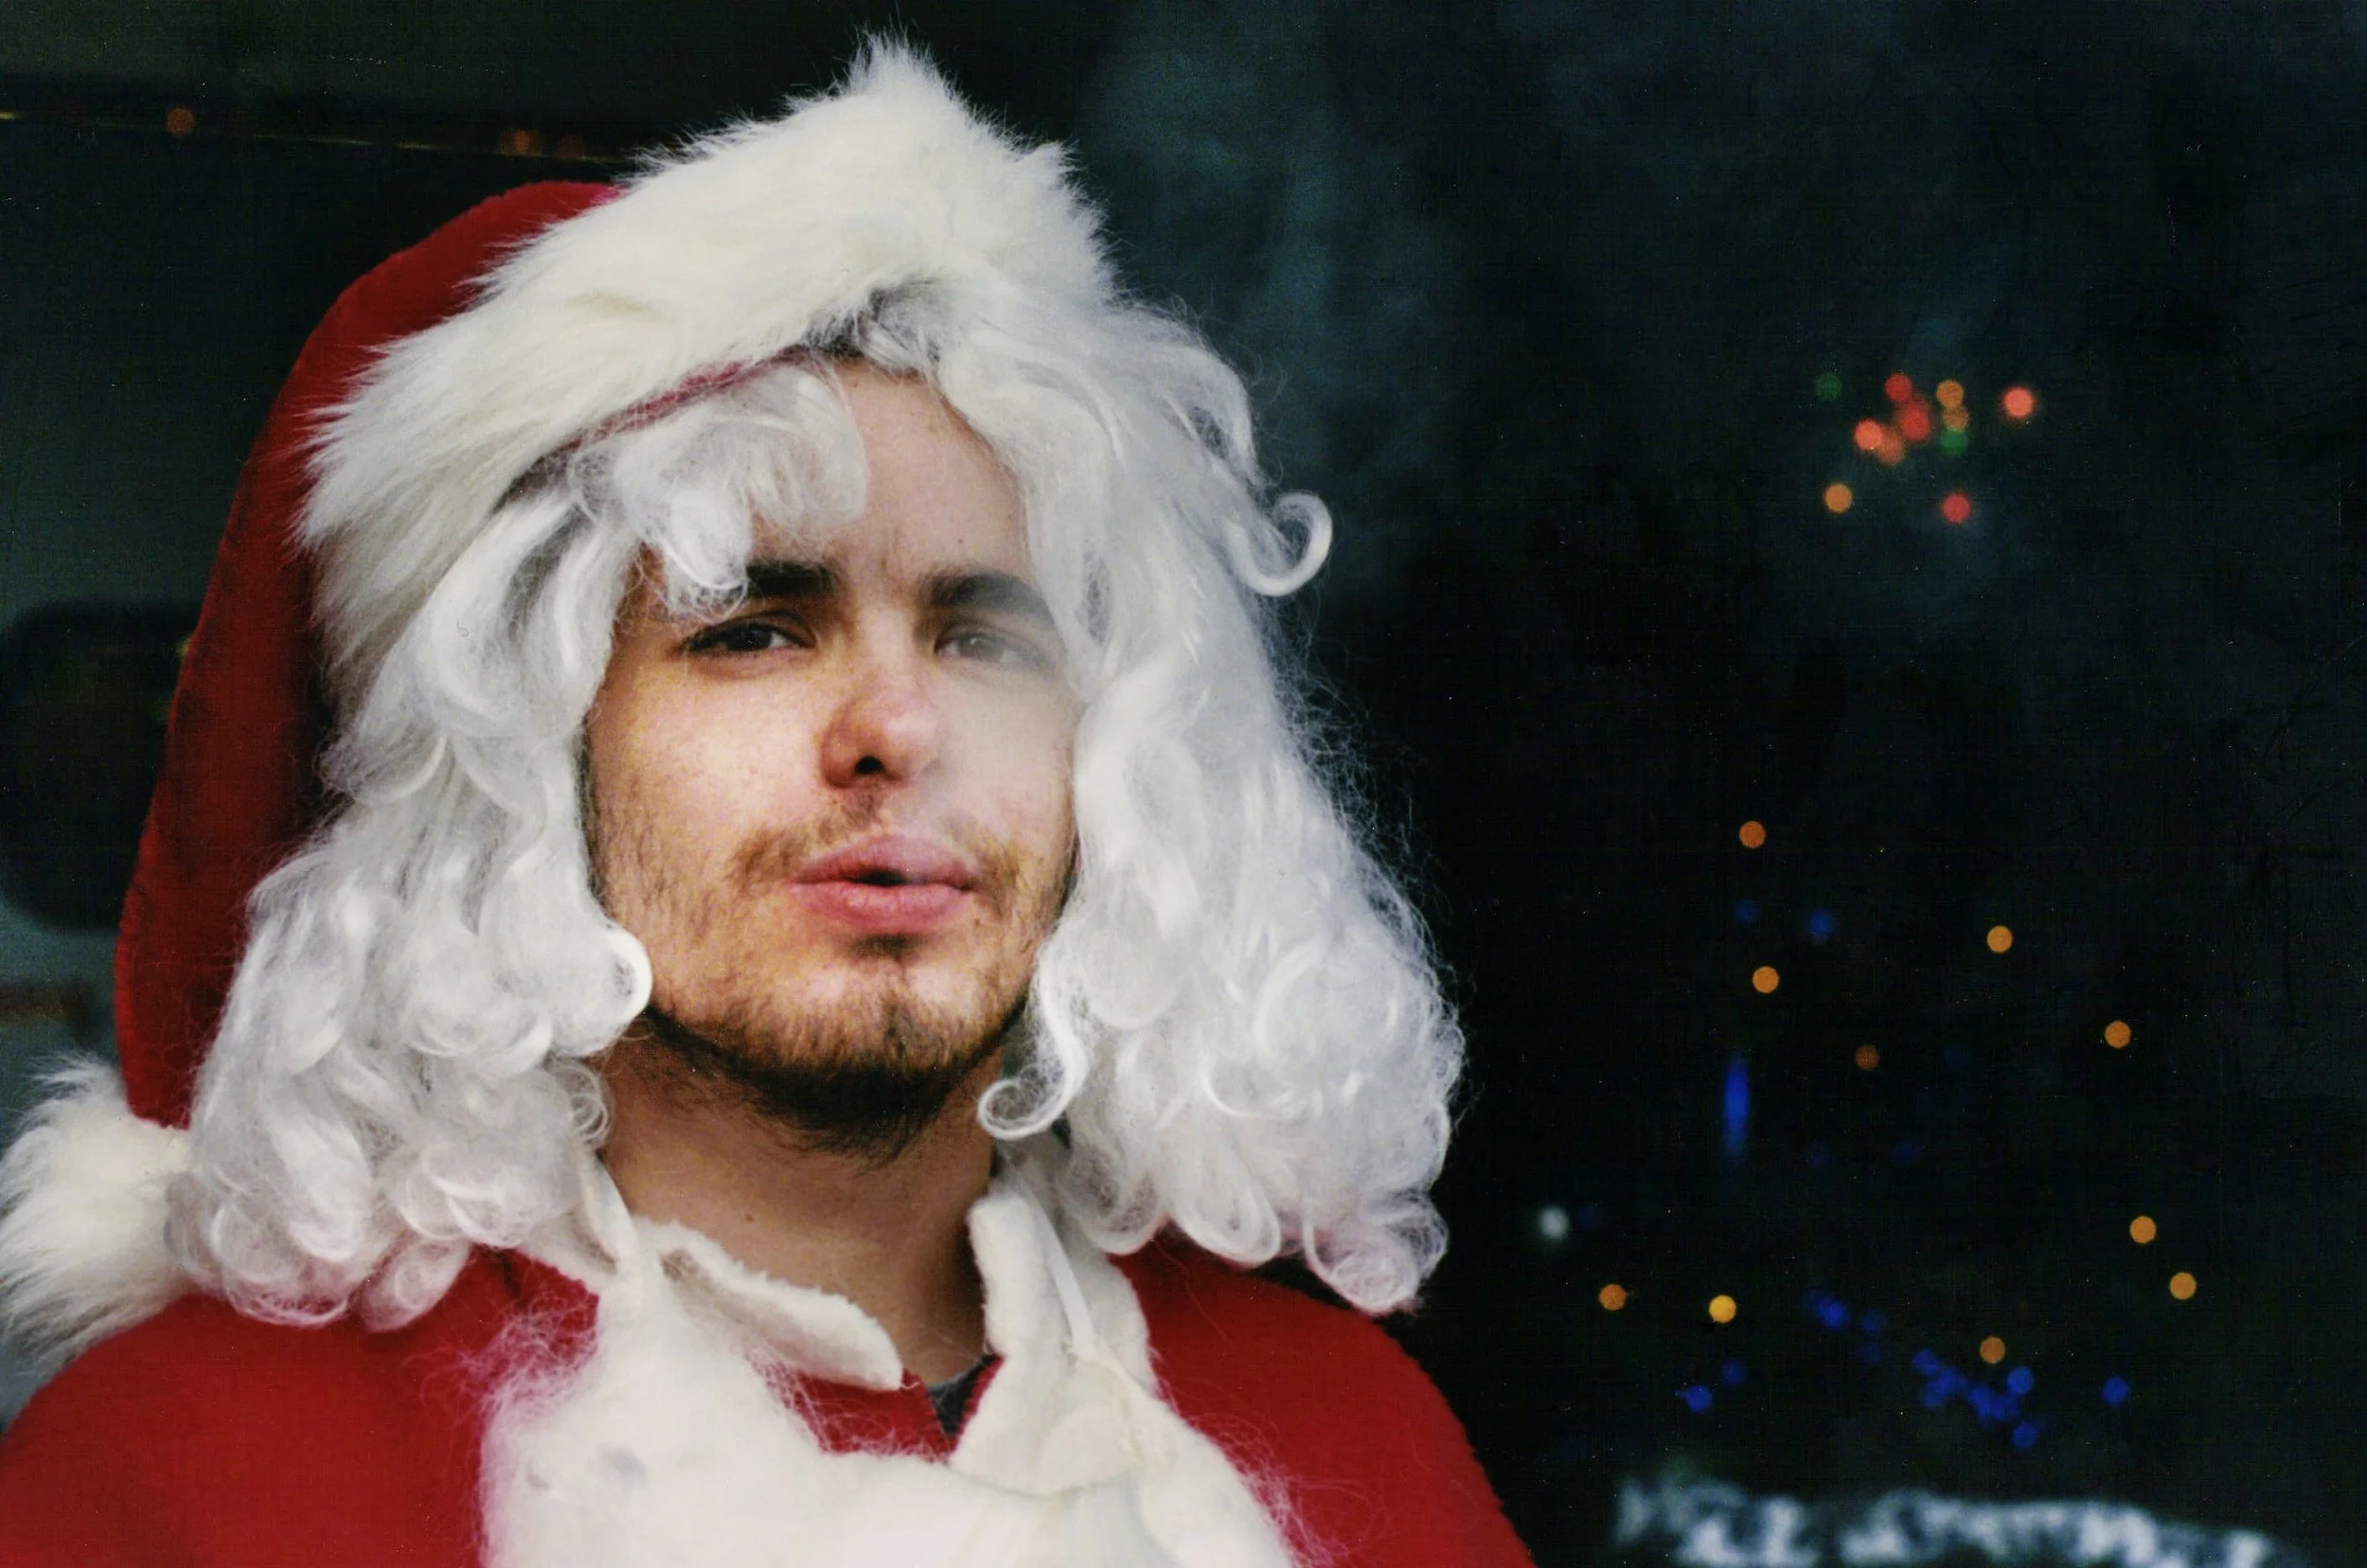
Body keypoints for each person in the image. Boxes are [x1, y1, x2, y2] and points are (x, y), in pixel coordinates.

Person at [0, 44, 1527, 1567]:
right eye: (755, 630)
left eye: (986, 637)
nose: (898, 727)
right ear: (521, 755)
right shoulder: (185, 1479)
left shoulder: (1358, 1444)